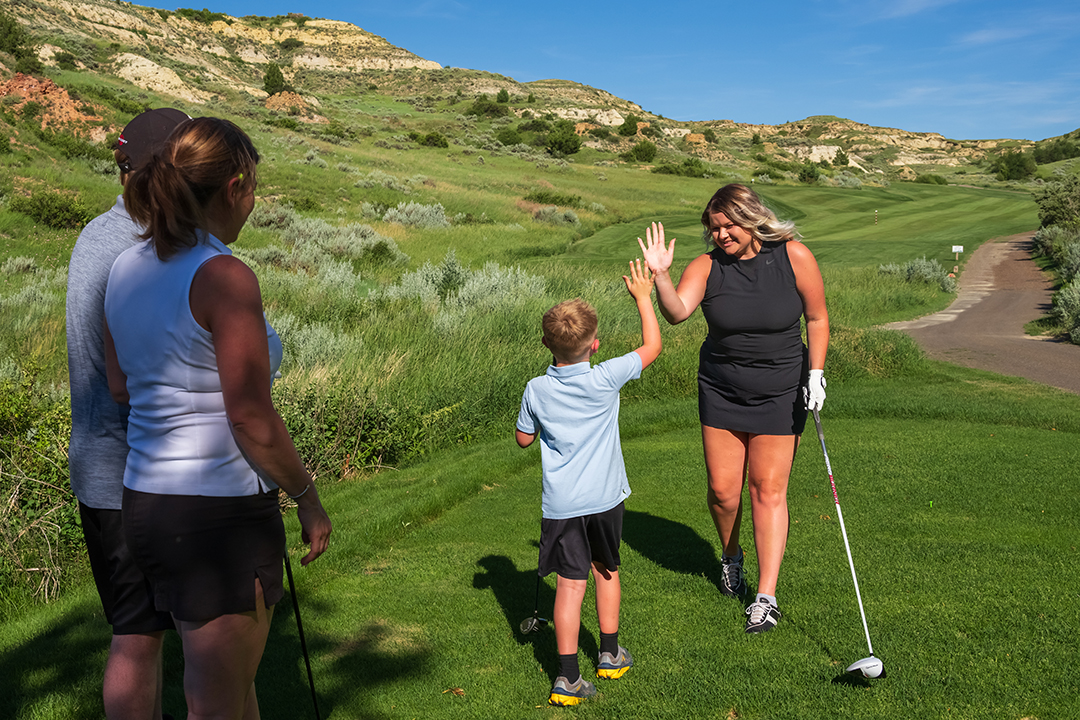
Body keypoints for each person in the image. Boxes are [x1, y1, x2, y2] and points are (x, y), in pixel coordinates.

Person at [103, 117, 332, 720]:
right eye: (253, 186)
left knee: (228, 693)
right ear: (234, 186)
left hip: (146, 499)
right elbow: (252, 417)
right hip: (218, 513)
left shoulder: (125, 268)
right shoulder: (224, 275)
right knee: (215, 704)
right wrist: (307, 496)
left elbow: (120, 385)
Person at [638, 183, 828, 634]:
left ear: (751, 217)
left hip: (782, 389)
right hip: (722, 388)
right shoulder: (707, 266)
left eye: (728, 225)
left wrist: (815, 374)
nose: (721, 235)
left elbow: (817, 318)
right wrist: (661, 276)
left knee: (767, 489)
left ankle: (765, 596)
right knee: (724, 491)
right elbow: (678, 312)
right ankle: (731, 554)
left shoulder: (794, 256)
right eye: (714, 227)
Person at [66, 106, 189, 720]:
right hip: (126, 469)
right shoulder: (134, 247)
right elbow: (128, 384)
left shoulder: (101, 232)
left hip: (103, 464)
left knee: (142, 630)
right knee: (138, 635)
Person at [515, 259, 662, 706]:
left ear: (546, 343)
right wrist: (642, 297)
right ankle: (610, 654)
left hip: (562, 505)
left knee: (569, 584)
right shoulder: (606, 377)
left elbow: (524, 440)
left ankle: (567, 680)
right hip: (605, 499)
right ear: (595, 344)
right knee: (606, 569)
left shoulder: (536, 388)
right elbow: (652, 345)